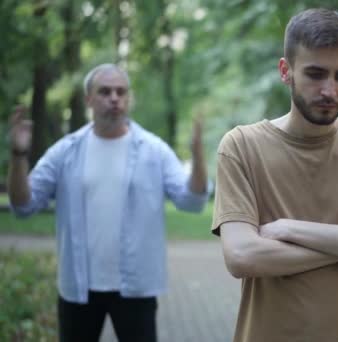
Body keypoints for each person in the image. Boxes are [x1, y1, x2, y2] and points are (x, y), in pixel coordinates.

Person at [212, 8, 338, 342]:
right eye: (316, 74)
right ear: (285, 71)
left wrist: (291, 229)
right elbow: (243, 256)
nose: (330, 90)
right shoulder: (241, 146)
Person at [7, 63, 211, 342]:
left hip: (136, 288)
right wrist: (18, 156)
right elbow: (23, 205)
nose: (114, 98)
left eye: (121, 92)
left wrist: (198, 157)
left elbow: (192, 201)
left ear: (129, 98)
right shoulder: (66, 151)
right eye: (105, 92)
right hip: (78, 289)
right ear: (88, 99)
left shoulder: (154, 150)